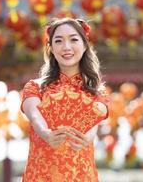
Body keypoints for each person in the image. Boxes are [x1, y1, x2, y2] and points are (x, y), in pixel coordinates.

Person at [20, 17, 109, 182]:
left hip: (82, 175)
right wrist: (45, 133)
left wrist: (87, 138)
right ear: (51, 48)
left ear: (84, 45)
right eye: (59, 41)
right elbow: (34, 115)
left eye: (74, 40)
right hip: (41, 176)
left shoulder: (97, 93)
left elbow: (92, 126)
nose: (66, 47)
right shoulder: (34, 87)